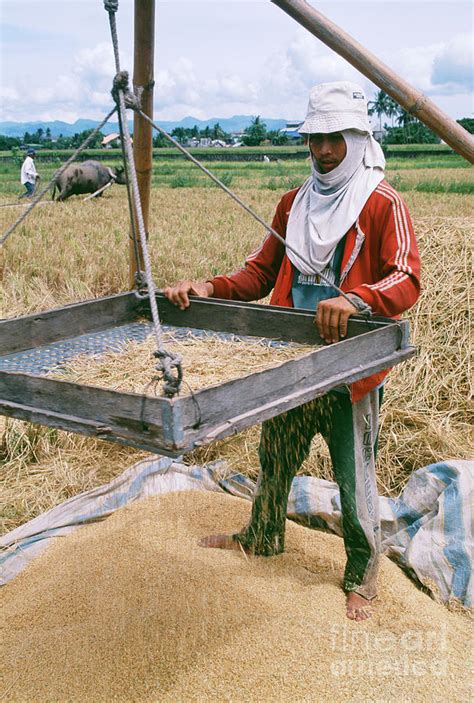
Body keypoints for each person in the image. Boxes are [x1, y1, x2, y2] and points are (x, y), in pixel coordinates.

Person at [164, 81, 421, 621]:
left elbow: (407, 279)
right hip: (291, 366)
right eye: (315, 139)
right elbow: (262, 272)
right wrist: (211, 287)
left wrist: (356, 298)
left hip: (350, 369)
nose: (324, 151)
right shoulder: (294, 204)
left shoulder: (381, 203)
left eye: (334, 139)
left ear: (357, 138)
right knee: (274, 457)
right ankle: (262, 535)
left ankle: (362, 572)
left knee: (355, 477)